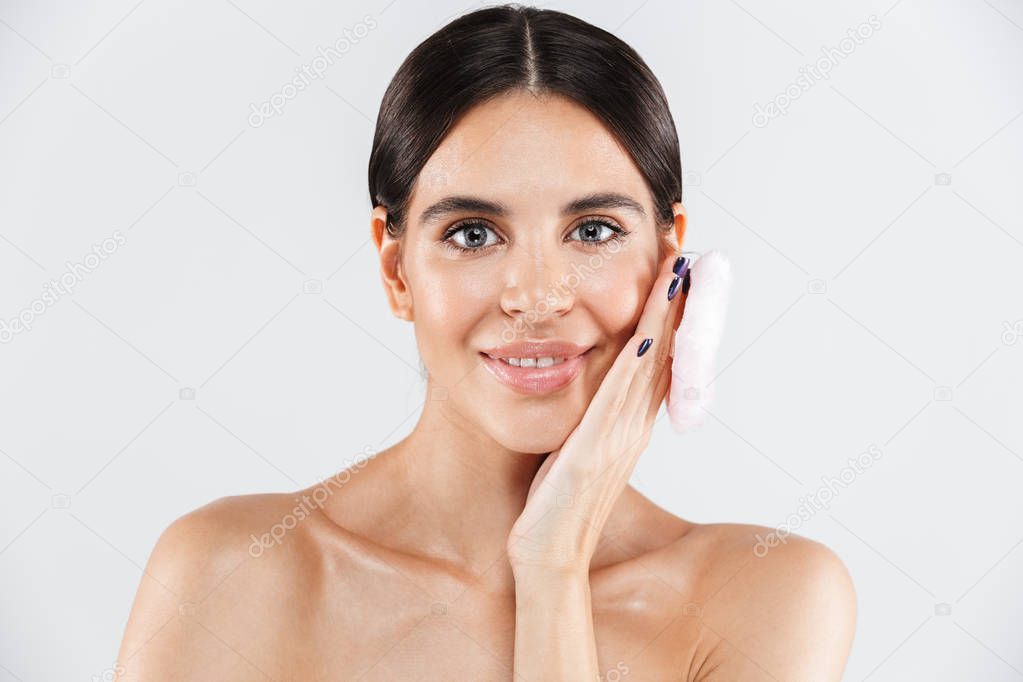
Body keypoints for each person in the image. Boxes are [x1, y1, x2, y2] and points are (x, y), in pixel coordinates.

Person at [114, 5, 856, 679]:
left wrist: (553, 563)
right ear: (394, 266)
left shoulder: (767, 595)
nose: (535, 296)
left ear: (672, 262)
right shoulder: (233, 573)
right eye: (472, 234)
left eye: (592, 231)